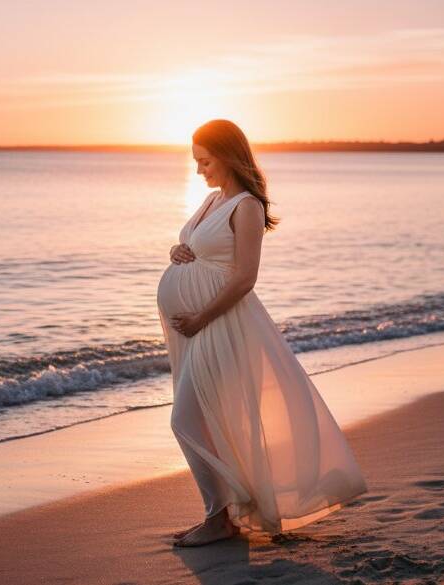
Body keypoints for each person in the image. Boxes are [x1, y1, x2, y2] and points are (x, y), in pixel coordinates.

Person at [156, 119, 368, 547]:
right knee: (206, 417)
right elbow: (199, 253)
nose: (199, 170)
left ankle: (220, 518)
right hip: (196, 328)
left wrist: (200, 318)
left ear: (229, 157)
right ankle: (224, 513)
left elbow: (244, 278)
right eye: (196, 162)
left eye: (206, 161)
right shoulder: (212, 199)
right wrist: (178, 251)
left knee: (186, 419)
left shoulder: (246, 206)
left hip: (220, 323)